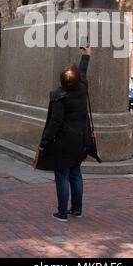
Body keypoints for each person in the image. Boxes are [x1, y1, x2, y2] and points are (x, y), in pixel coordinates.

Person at [35, 44, 91, 222]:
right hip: (81, 139)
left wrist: (43, 142)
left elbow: (55, 123)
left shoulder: (59, 96)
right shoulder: (83, 89)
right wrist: (86, 55)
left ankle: (62, 212)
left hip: (63, 142)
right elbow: (82, 72)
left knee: (62, 175)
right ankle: (76, 209)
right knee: (76, 174)